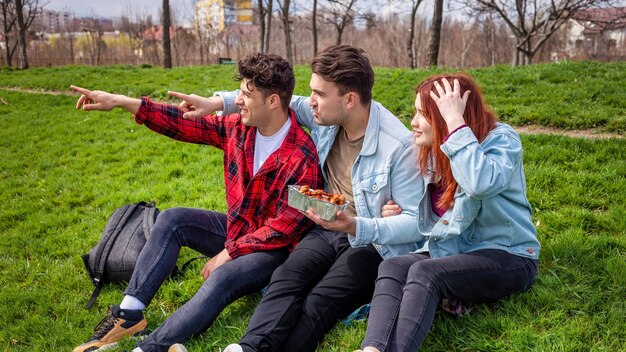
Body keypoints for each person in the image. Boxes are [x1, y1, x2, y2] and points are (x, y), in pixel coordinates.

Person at [171, 45, 426, 352]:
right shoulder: (326, 115)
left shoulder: (398, 147)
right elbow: (275, 99)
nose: (311, 103)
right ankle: (247, 348)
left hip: (371, 241)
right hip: (325, 226)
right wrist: (216, 102)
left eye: (319, 94)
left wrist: (358, 225)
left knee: (319, 300)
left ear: (348, 99)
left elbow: (416, 224)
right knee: (286, 277)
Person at [69, 53, 322, 352]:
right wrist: (123, 101)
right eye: (240, 91)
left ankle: (149, 348)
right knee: (174, 219)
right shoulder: (238, 128)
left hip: (273, 252)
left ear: (273, 102)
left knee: (224, 275)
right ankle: (130, 313)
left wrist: (228, 253)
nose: (237, 100)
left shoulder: (302, 156)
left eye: (246, 95)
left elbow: (284, 228)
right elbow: (183, 124)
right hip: (238, 231)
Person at [358, 73, 541, 352]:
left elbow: (481, 184)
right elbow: (434, 213)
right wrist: (393, 210)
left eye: (424, 114)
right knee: (393, 266)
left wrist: (456, 124)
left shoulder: (502, 140)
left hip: (510, 254)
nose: (414, 123)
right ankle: (371, 348)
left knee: (425, 272)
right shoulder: (433, 151)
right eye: (415, 112)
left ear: (448, 116)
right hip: (458, 252)